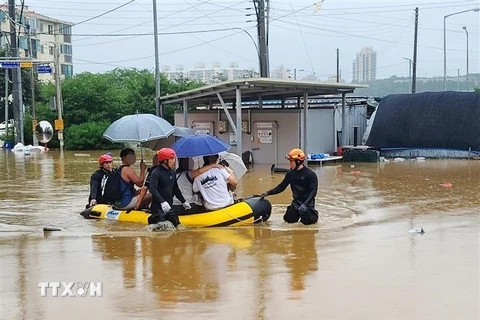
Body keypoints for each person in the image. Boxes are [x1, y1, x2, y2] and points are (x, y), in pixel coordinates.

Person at [260, 148, 319, 225]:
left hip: (308, 203)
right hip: (296, 203)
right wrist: (268, 193)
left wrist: (305, 205)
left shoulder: (310, 175)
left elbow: (313, 191)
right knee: (288, 220)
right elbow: (281, 187)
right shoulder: (290, 174)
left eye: (291, 161)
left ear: (298, 161)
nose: (290, 164)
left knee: (308, 222)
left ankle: (313, 214)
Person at [149, 148, 191, 227]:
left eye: (174, 159)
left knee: (177, 227)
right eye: (171, 159)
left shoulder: (172, 172)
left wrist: (183, 202)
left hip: (170, 207)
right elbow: (152, 188)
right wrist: (162, 202)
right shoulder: (156, 172)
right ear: (164, 161)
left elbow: (175, 188)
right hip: (158, 208)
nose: (173, 161)